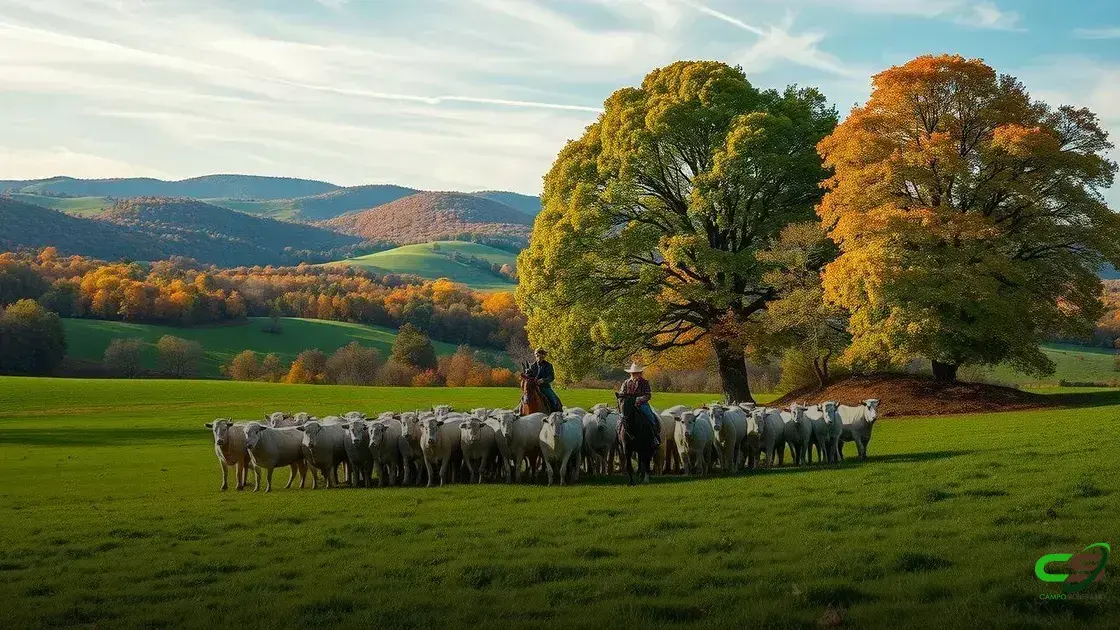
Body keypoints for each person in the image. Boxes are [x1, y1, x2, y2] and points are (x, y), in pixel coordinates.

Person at [618, 362, 660, 447]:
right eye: (634, 373)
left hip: (642, 404)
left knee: (650, 416)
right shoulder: (626, 382)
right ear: (631, 373)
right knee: (620, 418)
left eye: (637, 373)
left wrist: (639, 399)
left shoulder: (645, 383)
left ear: (640, 373)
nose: (635, 374)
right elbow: (622, 393)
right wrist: (622, 397)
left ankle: (654, 436)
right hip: (628, 404)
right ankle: (618, 437)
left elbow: (648, 395)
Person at [526, 348, 562, 413]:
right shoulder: (532, 366)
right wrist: (527, 373)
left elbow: (551, 377)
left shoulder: (548, 365)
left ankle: (556, 412)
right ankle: (519, 411)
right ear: (535, 355)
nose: (540, 357)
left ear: (544, 356)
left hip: (545, 387)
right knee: (524, 398)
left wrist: (543, 380)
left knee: (554, 399)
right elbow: (529, 377)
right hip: (533, 387)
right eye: (538, 355)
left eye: (542, 355)